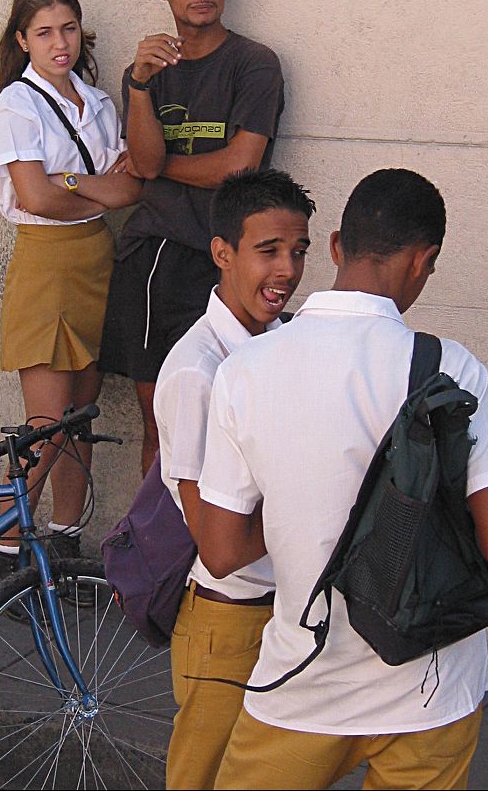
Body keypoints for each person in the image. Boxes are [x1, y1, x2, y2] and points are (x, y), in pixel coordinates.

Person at [198, 168, 488, 791]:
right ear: (424, 261)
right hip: (433, 688)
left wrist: (304, 509)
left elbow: (221, 551)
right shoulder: (454, 370)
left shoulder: (244, 370)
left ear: (335, 246)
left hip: (304, 679)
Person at [98, 0, 285, 476]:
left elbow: (239, 166)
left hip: (231, 262)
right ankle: (158, 533)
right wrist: (138, 85)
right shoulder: (147, 72)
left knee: (235, 422)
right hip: (159, 258)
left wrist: (158, 168)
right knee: (162, 425)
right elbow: (143, 156)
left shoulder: (254, 63)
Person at [0, 0, 142, 590]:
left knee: (78, 420)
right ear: (22, 41)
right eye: (44, 32)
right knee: (45, 426)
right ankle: (5, 552)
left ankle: (66, 543)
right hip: (46, 267)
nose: (59, 43)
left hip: (97, 260)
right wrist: (93, 191)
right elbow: (35, 197)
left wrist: (71, 184)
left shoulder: (97, 102)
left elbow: (129, 188)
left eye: (68, 28)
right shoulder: (16, 107)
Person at [155, 168, 315, 791]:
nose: (287, 270)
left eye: (298, 251)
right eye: (268, 251)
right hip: (229, 621)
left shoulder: (285, 342)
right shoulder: (197, 371)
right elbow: (216, 543)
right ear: (222, 253)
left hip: (287, 610)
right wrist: (322, 502)